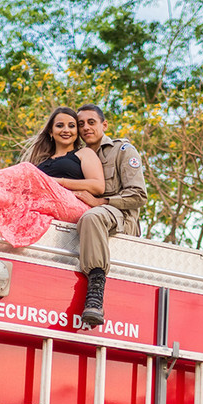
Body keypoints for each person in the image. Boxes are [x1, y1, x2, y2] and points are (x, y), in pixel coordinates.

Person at [0, 106, 104, 249]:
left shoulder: (84, 153)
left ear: (77, 132)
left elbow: (98, 186)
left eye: (71, 126)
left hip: (76, 206)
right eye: (60, 125)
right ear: (51, 132)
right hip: (47, 204)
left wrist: (58, 182)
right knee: (10, 196)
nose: (66, 130)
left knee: (26, 170)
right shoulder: (42, 162)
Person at [60, 104, 147, 327]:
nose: (86, 127)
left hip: (120, 217)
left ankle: (96, 293)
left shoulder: (123, 151)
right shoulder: (77, 156)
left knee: (93, 217)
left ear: (104, 125)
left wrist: (102, 202)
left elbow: (138, 196)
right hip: (88, 216)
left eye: (91, 122)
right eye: (81, 124)